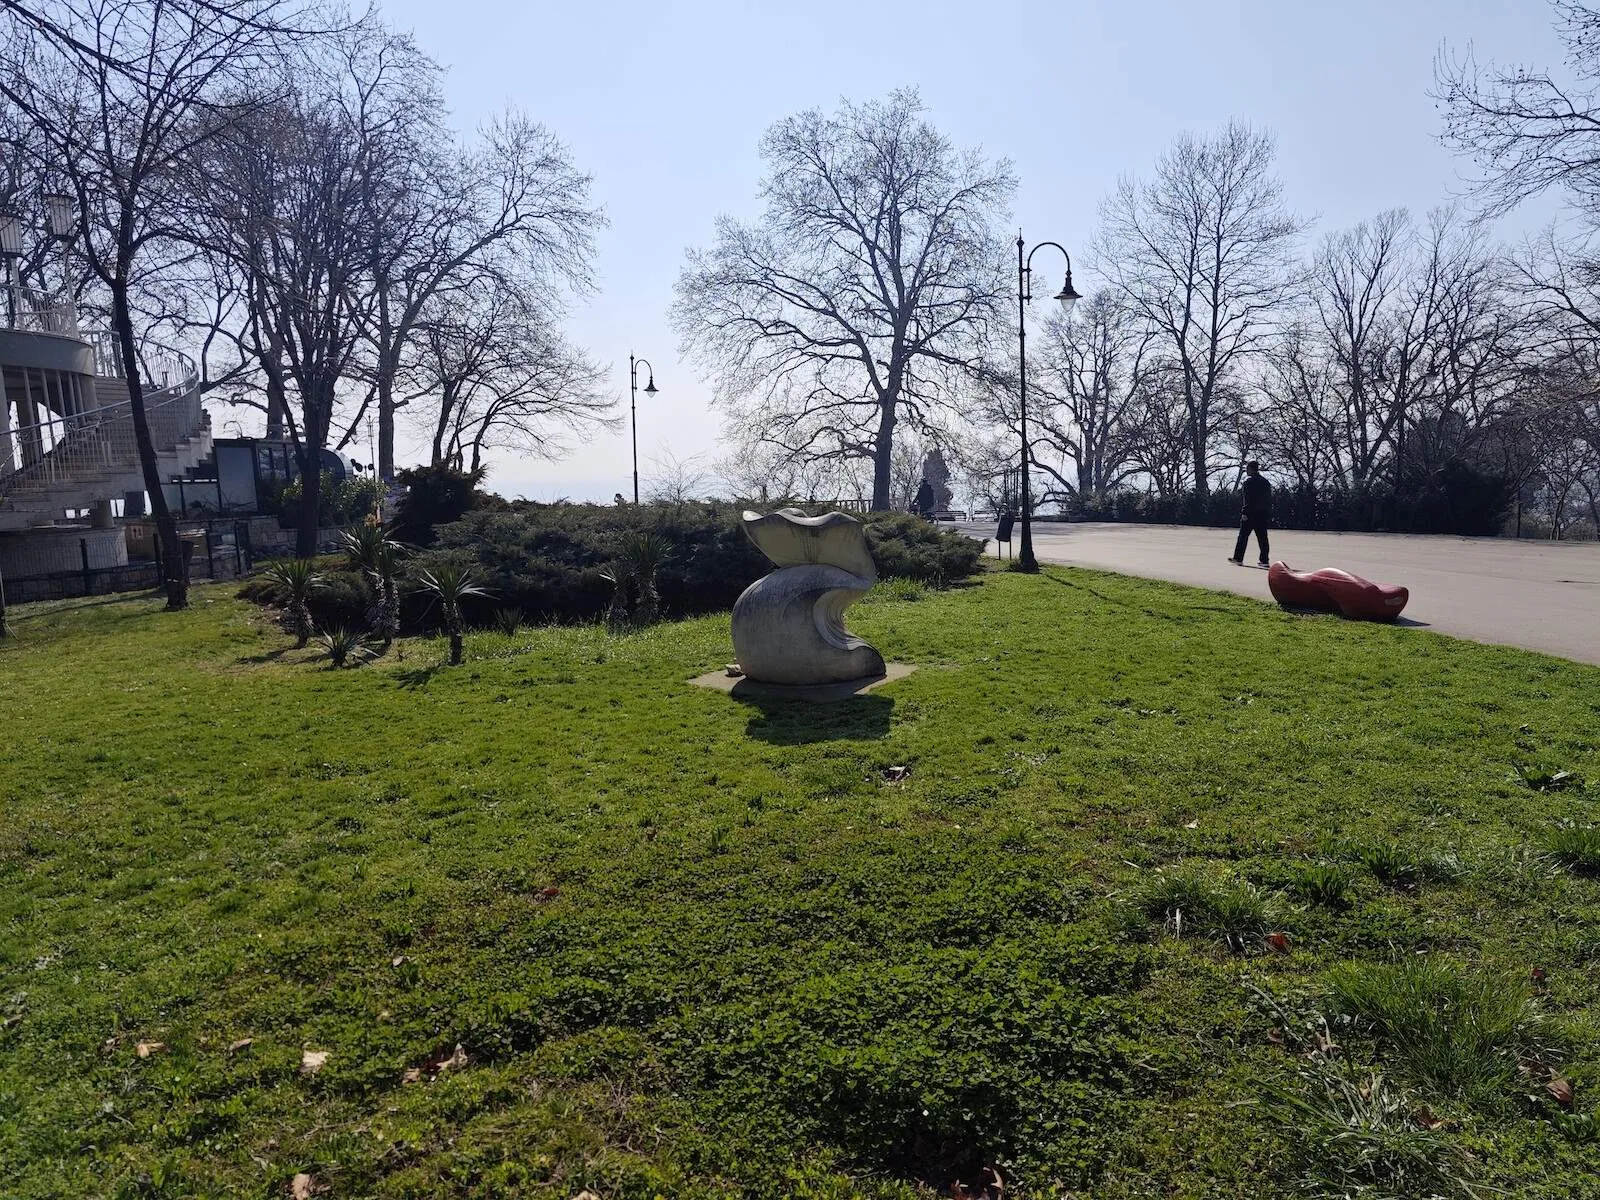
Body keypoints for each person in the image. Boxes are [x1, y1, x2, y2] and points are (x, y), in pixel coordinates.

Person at [1229, 461, 1272, 566]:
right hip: (1262, 513)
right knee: (1263, 538)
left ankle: (1238, 558)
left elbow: (1247, 499)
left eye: (1247, 468)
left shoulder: (1248, 482)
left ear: (1251, 469)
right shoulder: (1266, 482)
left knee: (1243, 537)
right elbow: (1268, 499)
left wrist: (1244, 512)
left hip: (1250, 513)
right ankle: (1264, 560)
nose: (1246, 471)